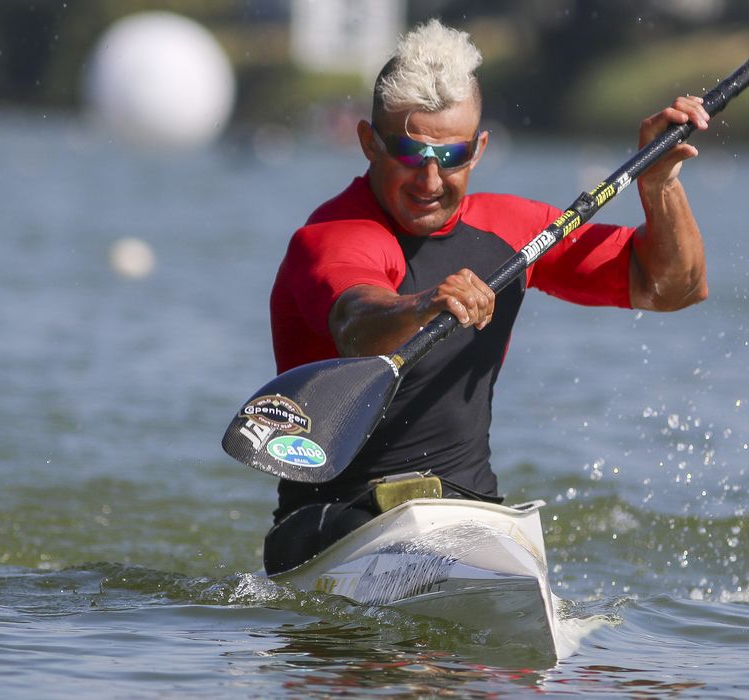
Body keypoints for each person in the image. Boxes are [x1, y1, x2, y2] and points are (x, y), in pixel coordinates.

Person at [262, 19, 710, 575]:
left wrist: (659, 187)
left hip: (470, 521)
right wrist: (425, 305)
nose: (429, 179)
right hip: (333, 524)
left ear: (478, 149)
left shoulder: (510, 229)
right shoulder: (333, 236)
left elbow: (672, 287)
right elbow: (357, 323)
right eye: (408, 152)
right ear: (367, 143)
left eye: (450, 157)